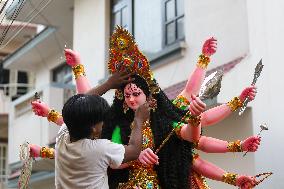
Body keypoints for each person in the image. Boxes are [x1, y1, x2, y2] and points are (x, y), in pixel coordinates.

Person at [31, 27, 259, 189]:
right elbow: (83, 113)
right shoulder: (111, 128)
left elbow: (191, 135)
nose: (131, 100)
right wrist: (136, 157)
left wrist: (195, 118)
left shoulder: (163, 117)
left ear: (149, 95)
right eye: (127, 95)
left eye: (136, 94)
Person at [30, 94, 150, 189]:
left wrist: (48, 112)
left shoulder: (63, 136)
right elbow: (134, 151)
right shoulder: (99, 149)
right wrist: (138, 119)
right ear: (93, 128)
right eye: (102, 121)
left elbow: (70, 118)